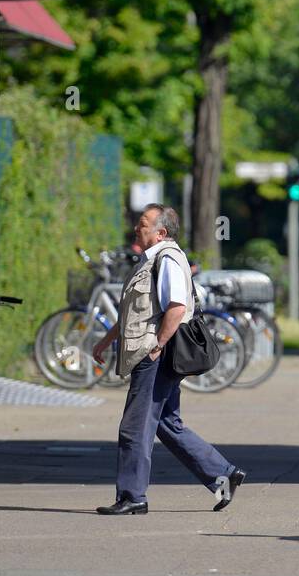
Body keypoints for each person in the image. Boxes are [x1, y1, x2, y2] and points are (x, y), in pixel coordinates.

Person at [93, 203, 246, 516]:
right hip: (156, 353)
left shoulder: (166, 260)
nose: (137, 228)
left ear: (160, 232)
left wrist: (157, 346)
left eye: (144, 223)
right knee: (166, 423)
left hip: (155, 356)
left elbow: (175, 308)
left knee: (134, 427)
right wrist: (107, 340)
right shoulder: (152, 261)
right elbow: (137, 312)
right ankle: (222, 474)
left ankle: (132, 496)